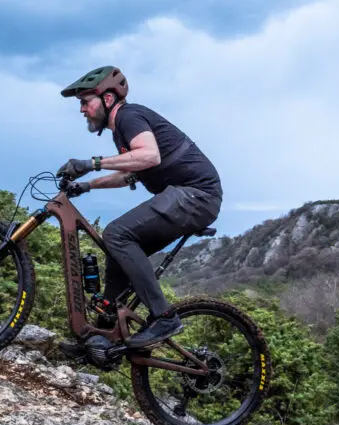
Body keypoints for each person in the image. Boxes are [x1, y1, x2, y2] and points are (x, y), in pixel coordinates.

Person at [56, 65, 223, 358]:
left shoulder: (129, 116)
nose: (82, 109)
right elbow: (129, 172)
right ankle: (101, 337)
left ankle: (163, 317)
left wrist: (90, 163)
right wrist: (87, 186)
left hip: (197, 195)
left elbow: (149, 155)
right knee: (118, 253)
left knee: (117, 234)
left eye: (85, 101)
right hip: (185, 198)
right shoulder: (121, 132)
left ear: (108, 99)